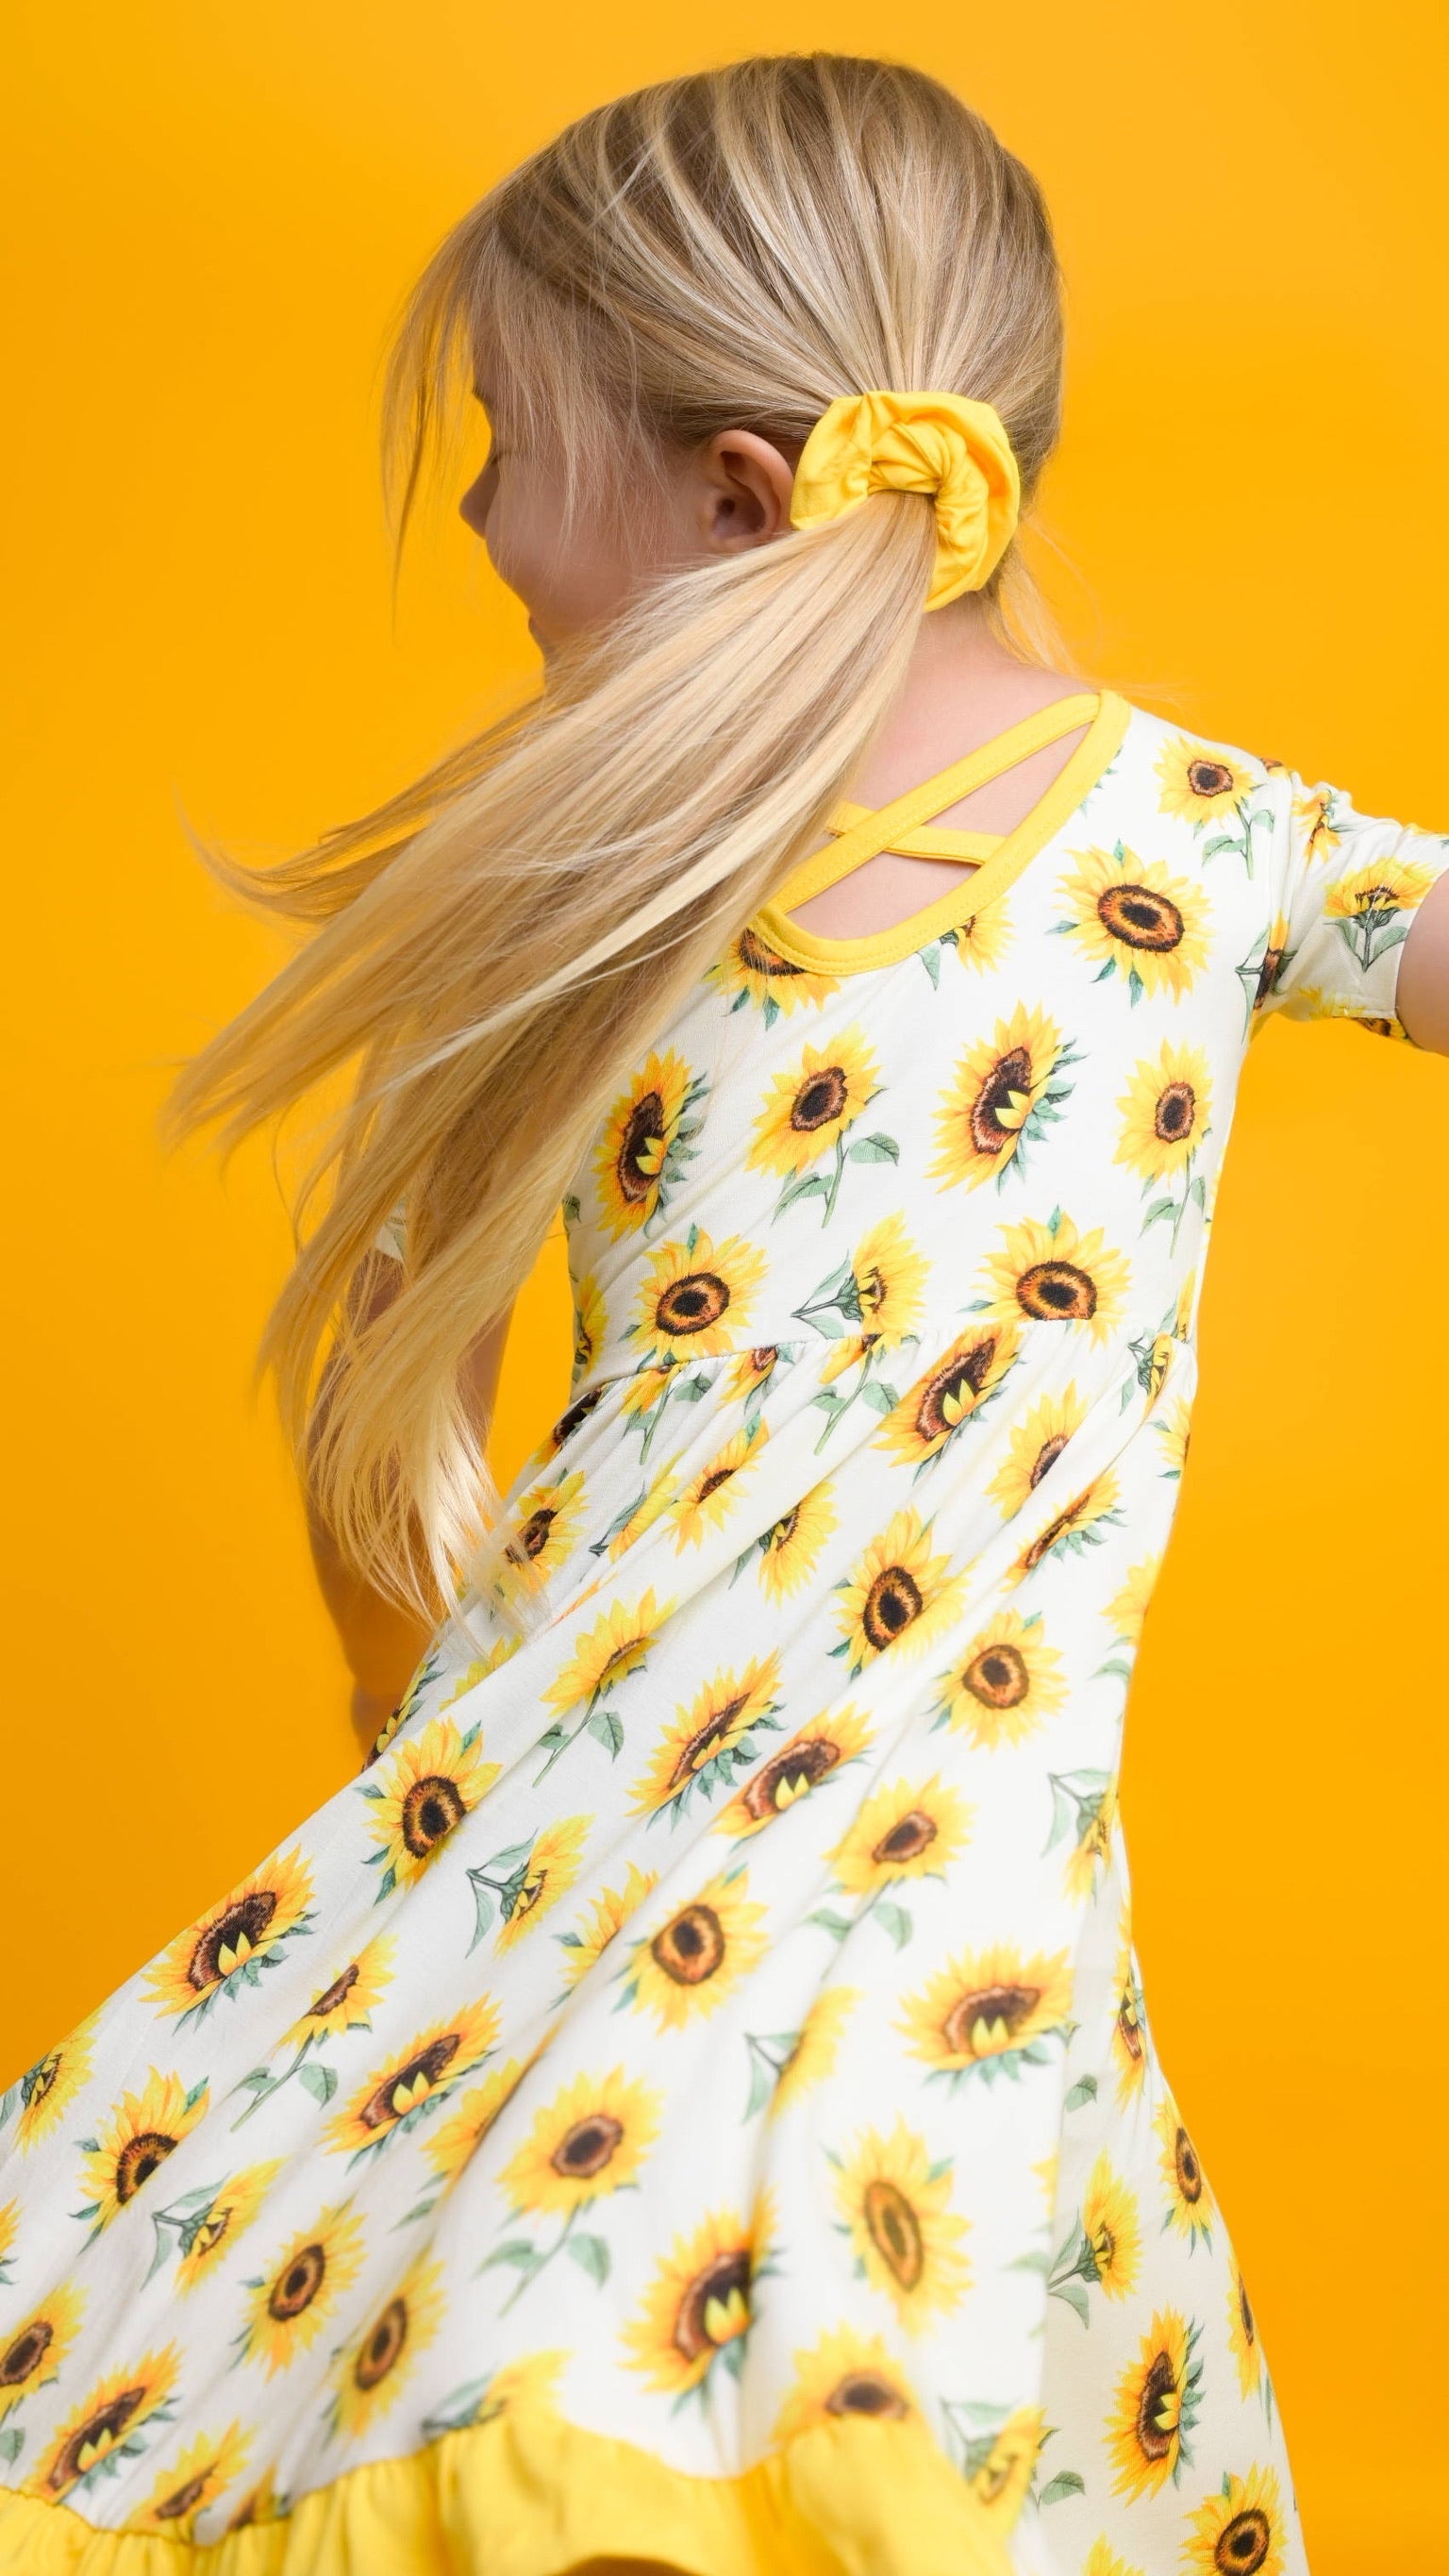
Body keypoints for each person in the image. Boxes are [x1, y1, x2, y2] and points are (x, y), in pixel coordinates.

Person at [2, 52, 1445, 2576]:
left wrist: (421, 1718)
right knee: (633, 2336)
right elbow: (394, 1387)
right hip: (640, 1812)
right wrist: (434, 1760)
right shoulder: (640, 878)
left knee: (685, 2336)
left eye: (500, 447)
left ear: (741, 499)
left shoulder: (1173, 843)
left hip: (921, 1830)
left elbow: (381, 1434)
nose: (480, 523)